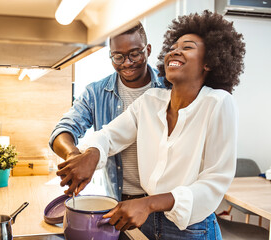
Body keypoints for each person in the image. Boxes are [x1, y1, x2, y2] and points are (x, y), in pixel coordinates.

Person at [56, 10, 246, 239]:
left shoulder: (218, 103)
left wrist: (148, 204)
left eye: (187, 47)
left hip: (190, 229)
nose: (175, 50)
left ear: (208, 62)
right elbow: (109, 135)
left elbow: (214, 182)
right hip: (145, 222)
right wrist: (91, 154)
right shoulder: (150, 101)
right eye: (174, 46)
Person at [49, 22, 165, 201]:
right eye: (118, 57)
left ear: (148, 50)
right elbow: (63, 130)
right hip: (120, 201)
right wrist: (74, 156)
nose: (127, 63)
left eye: (134, 54)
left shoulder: (169, 88)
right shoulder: (95, 93)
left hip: (162, 202)